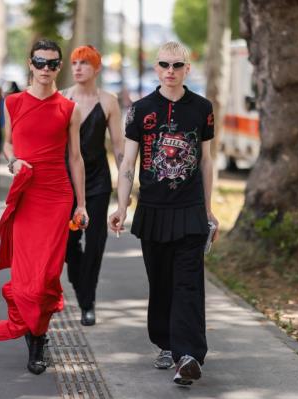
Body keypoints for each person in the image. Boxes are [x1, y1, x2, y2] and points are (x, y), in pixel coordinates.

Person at [108, 41, 219, 385]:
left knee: (188, 283)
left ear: (188, 69)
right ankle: (166, 344)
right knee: (161, 282)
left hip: (190, 210)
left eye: (177, 65)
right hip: (153, 210)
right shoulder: (140, 110)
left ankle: (188, 355)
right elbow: (128, 163)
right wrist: (121, 206)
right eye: (164, 65)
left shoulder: (202, 108)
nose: (170, 71)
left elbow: (207, 161)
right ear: (156, 69)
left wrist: (209, 209)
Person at [0, 39, 88, 375]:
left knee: (47, 275)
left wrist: (82, 204)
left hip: (58, 196)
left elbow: (75, 158)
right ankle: (34, 338)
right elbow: (7, 143)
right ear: (30, 64)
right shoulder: (13, 102)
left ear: (59, 67)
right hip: (27, 195)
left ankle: (38, 337)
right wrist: (13, 161)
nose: (46, 69)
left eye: (52, 63)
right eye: (40, 62)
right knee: (26, 276)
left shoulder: (69, 108)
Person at [61, 45, 125, 326]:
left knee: (96, 241)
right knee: (68, 243)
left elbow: (120, 147)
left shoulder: (109, 102)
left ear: (97, 68)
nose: (77, 68)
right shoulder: (62, 99)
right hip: (65, 181)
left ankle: (88, 302)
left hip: (98, 181)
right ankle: (83, 290)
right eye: (74, 62)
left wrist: (126, 186)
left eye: (84, 63)